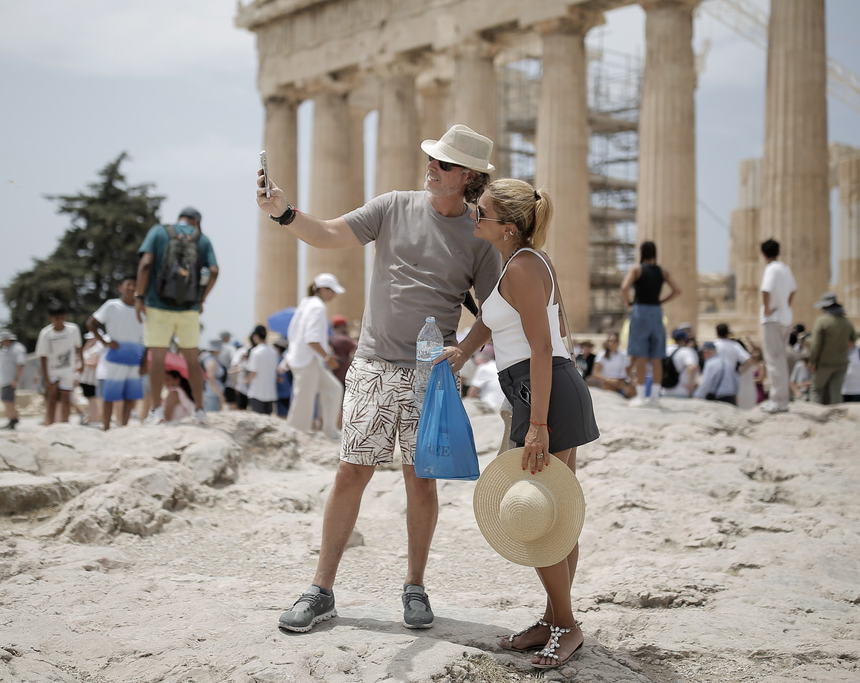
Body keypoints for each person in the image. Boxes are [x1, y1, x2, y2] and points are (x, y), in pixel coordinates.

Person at [258, 123, 501, 635]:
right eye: (432, 159)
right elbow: (326, 234)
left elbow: (495, 309)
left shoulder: (479, 236)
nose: (431, 167)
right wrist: (283, 211)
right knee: (351, 472)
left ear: (469, 179)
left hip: (429, 375)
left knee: (421, 480)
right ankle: (320, 590)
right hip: (371, 364)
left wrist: (465, 350)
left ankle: (415, 586)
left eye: (444, 164)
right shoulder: (393, 205)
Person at [461, 178, 597, 670]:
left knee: (535, 517)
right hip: (543, 392)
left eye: (482, 212)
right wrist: (458, 353)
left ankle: (567, 625)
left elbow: (543, 346)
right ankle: (552, 617)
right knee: (555, 515)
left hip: (546, 395)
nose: (474, 216)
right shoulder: (517, 263)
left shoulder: (520, 267)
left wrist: (537, 423)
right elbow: (494, 324)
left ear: (508, 227)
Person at [135, 206, 218, 426]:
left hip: (157, 305)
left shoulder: (159, 232)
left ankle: (156, 410)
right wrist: (201, 299)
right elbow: (214, 271)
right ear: (197, 222)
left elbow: (145, 264)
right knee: (192, 359)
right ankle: (199, 410)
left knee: (158, 358)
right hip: (189, 308)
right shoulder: (202, 239)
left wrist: (139, 297)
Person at [620, 240, 680, 406]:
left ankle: (641, 396)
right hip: (656, 312)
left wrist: (628, 302)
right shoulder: (662, 271)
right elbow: (677, 290)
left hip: (640, 311)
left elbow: (624, 287)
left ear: (641, 253)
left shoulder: (637, 269)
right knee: (656, 356)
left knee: (640, 355)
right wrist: (662, 300)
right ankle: (654, 397)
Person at [286, 274, 346, 436]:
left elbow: (293, 331)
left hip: (305, 359)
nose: (333, 296)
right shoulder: (318, 307)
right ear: (323, 289)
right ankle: (295, 433)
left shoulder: (307, 303)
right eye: (332, 291)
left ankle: (330, 430)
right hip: (307, 360)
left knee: (333, 389)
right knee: (303, 400)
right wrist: (328, 358)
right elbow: (311, 339)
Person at [87, 278, 146, 429]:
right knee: (110, 395)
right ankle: (106, 426)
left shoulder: (141, 310)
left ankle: (123, 426)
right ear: (120, 287)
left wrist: (145, 360)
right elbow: (91, 323)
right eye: (128, 285)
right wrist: (105, 342)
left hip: (135, 358)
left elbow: (146, 338)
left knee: (130, 396)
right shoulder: (112, 305)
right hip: (115, 358)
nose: (131, 288)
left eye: (134, 285)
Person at [759, 239, 797, 413]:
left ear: (763, 253)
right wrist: (785, 305)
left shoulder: (771, 268)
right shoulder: (785, 268)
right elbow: (794, 289)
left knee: (774, 360)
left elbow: (765, 290)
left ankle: (778, 400)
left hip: (773, 319)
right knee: (780, 358)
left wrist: (767, 309)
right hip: (785, 317)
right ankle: (782, 399)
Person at [37, 305, 84, 426]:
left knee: (66, 398)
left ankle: (64, 424)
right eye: (56, 317)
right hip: (52, 369)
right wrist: (46, 378)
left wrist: (81, 363)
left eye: (61, 317)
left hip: (68, 368)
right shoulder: (46, 333)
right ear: (50, 318)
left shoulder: (73, 329)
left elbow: (79, 346)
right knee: (51, 398)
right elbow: (43, 356)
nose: (59, 320)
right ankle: (50, 424)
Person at [805, 293, 856, 405]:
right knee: (836, 392)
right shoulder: (846, 322)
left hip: (824, 363)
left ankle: (815, 415)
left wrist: (813, 361)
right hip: (841, 363)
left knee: (816, 389)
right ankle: (837, 418)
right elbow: (853, 340)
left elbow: (816, 344)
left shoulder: (822, 321)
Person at [0, 331, 27, 429]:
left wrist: (16, 379)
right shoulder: (5, 349)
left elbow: (21, 364)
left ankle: (12, 419)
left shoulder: (17, 349)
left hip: (10, 379)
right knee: (6, 399)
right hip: (4, 379)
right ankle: (12, 418)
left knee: (8, 400)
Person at [245, 325, 279, 415]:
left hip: (257, 392)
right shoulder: (273, 351)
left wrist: (246, 381)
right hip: (270, 393)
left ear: (255, 336)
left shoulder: (255, 351)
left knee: (257, 419)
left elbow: (253, 372)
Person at [588, 333, 634, 398]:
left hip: (621, 382)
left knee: (632, 391)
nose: (611, 343)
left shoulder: (623, 354)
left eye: (614, 341)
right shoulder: (602, 355)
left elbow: (628, 371)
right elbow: (595, 373)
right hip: (608, 382)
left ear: (618, 342)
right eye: (610, 341)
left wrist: (630, 381)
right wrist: (608, 380)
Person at [662, 329, 699, 398]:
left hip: (663, 390)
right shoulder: (687, 351)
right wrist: (691, 386)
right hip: (681, 391)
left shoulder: (666, 349)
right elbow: (693, 368)